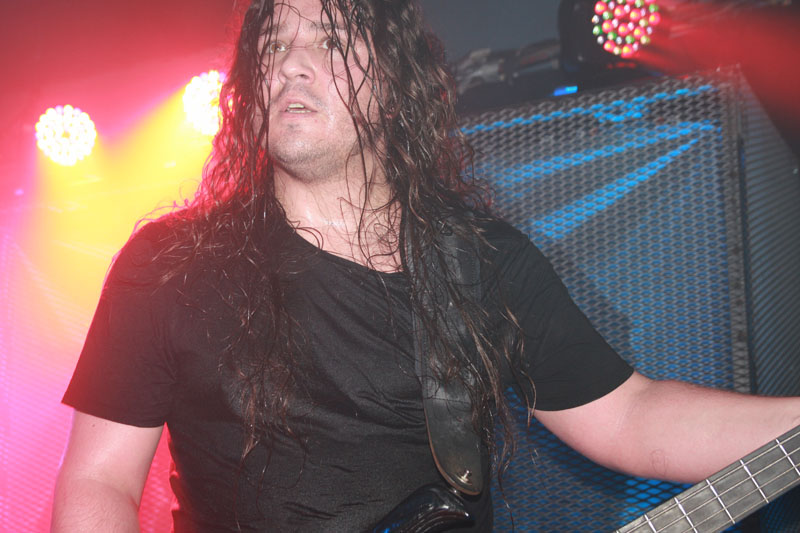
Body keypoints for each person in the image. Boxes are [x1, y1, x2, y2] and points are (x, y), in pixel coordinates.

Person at [52, 0, 800, 531]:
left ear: (393, 84)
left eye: (331, 41)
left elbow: (631, 416)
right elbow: (99, 478)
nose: (290, 66)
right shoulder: (171, 266)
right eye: (273, 46)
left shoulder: (480, 262)